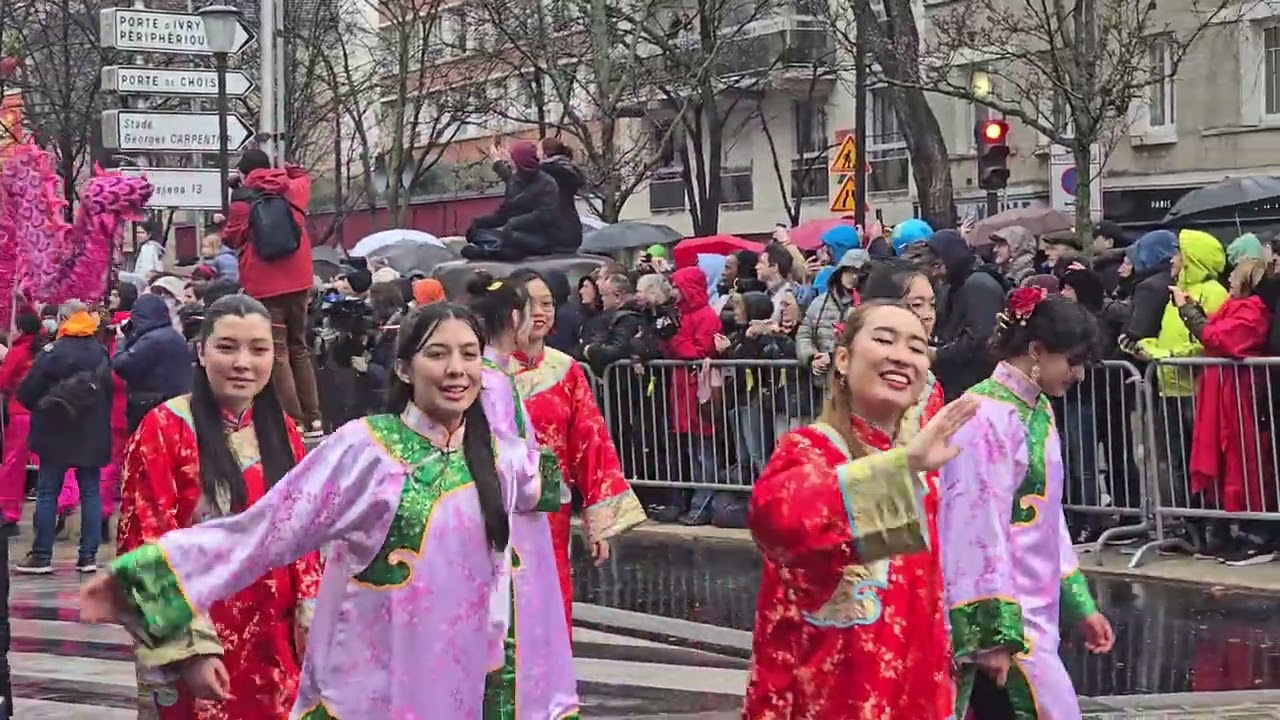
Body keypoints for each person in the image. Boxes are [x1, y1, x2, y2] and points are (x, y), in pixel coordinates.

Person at [82, 301, 579, 718]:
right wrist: (152, 585)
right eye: (437, 354)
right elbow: (267, 530)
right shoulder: (366, 450)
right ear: (404, 367)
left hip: (365, 658)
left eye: (469, 355)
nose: (456, 369)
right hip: (345, 670)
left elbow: (537, 557)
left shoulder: (508, 463)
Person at [745, 300, 978, 718]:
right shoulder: (808, 450)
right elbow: (778, 522)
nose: (901, 356)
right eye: (884, 340)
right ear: (843, 358)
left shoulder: (922, 470)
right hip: (823, 695)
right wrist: (902, 466)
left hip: (914, 694)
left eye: (916, 347)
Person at [115, 294, 320, 718]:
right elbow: (143, 550)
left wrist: (312, 617)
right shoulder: (164, 429)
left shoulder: (284, 433)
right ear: (201, 351)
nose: (243, 362)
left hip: (278, 645)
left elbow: (306, 541)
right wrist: (190, 653)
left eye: (258, 349)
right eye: (227, 347)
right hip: (206, 649)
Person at [939, 291, 1114, 720]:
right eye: (1071, 361)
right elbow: (972, 528)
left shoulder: (1037, 410)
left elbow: (1048, 519)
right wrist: (992, 633)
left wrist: (1080, 605)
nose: (1078, 374)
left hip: (1036, 615)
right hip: (1005, 615)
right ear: (1036, 350)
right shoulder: (982, 415)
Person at [505, 270, 646, 627]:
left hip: (552, 507)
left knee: (551, 599)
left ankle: (552, 682)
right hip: (496, 506)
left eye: (548, 303)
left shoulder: (566, 369)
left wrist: (597, 523)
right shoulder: (484, 369)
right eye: (530, 303)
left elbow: (591, 442)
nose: (541, 312)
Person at [222, 148, 322, 439]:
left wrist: (238, 193)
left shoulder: (242, 201)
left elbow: (232, 236)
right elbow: (304, 177)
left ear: (244, 172)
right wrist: (290, 170)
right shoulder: (293, 189)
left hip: (264, 285)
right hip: (300, 280)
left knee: (278, 352)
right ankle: (314, 419)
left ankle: (294, 421)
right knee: (299, 347)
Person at [14, 301, 112, 574]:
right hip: (91, 436)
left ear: (63, 320)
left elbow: (26, 393)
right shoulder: (100, 352)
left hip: (54, 433)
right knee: (90, 494)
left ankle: (42, 556)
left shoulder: (52, 352)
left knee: (47, 493)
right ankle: (88, 556)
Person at [462, 140, 562, 261]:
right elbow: (502, 214)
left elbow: (545, 216)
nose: (510, 163)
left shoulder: (547, 183)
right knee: (476, 232)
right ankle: (496, 248)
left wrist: (514, 223)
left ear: (520, 163)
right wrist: (480, 222)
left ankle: (490, 251)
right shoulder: (514, 181)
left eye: (512, 160)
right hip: (512, 233)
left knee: (510, 239)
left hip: (540, 237)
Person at [112, 294, 193, 433]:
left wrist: (121, 340)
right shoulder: (173, 335)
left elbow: (121, 366)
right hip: (172, 406)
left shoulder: (153, 340)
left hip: (151, 407)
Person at [0, 311, 47, 534]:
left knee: (13, 466)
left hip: (20, 413)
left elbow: (3, 380)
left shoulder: (18, 352)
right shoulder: (43, 350)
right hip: (43, 412)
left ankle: (8, 513)